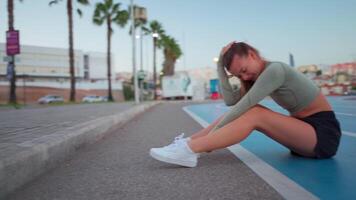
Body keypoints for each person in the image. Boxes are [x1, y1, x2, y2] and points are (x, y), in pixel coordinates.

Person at [149, 41, 342, 168]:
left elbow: (241, 107)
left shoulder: (276, 70)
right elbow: (230, 101)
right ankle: (187, 144)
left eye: (244, 70)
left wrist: (212, 137)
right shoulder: (257, 77)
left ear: (253, 55)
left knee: (254, 113)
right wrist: (220, 68)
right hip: (305, 134)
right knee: (253, 111)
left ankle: (190, 149)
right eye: (239, 75)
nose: (244, 77)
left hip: (323, 135)